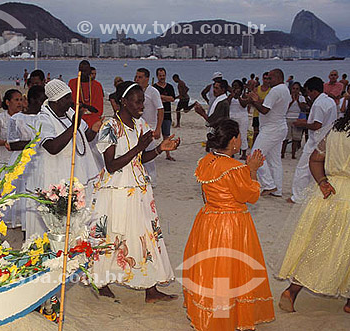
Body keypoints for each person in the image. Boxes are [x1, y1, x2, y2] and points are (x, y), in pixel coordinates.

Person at [89, 81, 180, 302]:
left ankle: (151, 288)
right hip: (116, 190)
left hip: (139, 189)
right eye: (138, 102)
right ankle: (101, 282)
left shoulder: (140, 125)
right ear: (124, 102)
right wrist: (139, 147)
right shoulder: (109, 126)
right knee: (113, 235)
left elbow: (141, 158)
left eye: (143, 102)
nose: (142, 106)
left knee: (147, 235)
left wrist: (159, 149)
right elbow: (111, 164)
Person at [183, 119, 274, 331]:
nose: (241, 140)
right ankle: (225, 316)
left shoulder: (206, 161)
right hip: (231, 224)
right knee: (230, 268)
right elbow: (251, 195)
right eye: (240, 136)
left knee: (212, 268)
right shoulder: (235, 168)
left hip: (208, 220)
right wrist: (252, 171)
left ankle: (214, 313)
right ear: (233, 141)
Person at [277, 111, 350, 314]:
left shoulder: (337, 129)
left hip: (328, 193)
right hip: (347, 198)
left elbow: (315, 159)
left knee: (318, 243)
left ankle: (292, 291)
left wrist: (323, 182)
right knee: (335, 247)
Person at [25, 79, 102, 238]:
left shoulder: (70, 114)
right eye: (67, 98)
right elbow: (52, 147)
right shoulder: (43, 119)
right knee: (59, 220)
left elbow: (83, 138)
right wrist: (74, 125)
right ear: (56, 100)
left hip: (77, 172)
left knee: (79, 217)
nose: (71, 101)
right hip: (56, 176)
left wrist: (94, 130)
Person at [286, 77, 337, 204]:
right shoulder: (330, 101)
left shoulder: (319, 104)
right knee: (321, 169)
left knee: (303, 169)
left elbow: (317, 125)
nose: (308, 95)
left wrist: (302, 124)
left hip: (316, 140)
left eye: (308, 92)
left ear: (314, 91)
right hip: (328, 139)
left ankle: (298, 197)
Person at [7, 86, 46, 231]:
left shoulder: (45, 118)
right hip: (23, 159)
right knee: (22, 190)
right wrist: (35, 142)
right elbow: (13, 143)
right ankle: (22, 222)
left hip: (42, 158)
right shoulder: (16, 119)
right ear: (33, 100)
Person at [249, 69, 290, 197]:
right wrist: (257, 100)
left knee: (255, 155)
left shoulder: (276, 90)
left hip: (271, 129)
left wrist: (253, 102)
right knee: (274, 160)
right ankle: (277, 189)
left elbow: (265, 110)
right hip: (279, 127)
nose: (268, 81)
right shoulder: (284, 89)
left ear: (278, 78)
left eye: (270, 78)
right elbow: (269, 105)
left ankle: (269, 185)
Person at [134, 68, 164, 187]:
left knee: (149, 155)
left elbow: (160, 110)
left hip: (150, 128)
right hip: (137, 127)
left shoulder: (153, 92)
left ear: (147, 78)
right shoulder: (135, 91)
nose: (137, 79)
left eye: (140, 77)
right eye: (136, 77)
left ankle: (152, 180)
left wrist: (158, 129)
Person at [0, 89, 24, 170]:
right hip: (2, 161)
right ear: (8, 102)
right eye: (16, 100)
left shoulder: (24, 118)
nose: (19, 103)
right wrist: (4, 143)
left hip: (21, 160)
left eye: (21, 100)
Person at [68, 60, 104, 128]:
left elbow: (98, 110)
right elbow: (70, 104)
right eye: (81, 71)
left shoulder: (97, 85)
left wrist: (84, 105)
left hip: (92, 119)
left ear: (89, 72)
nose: (83, 73)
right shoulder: (72, 83)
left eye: (85, 71)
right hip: (76, 118)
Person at [153, 67, 176, 161]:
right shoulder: (154, 88)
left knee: (166, 135)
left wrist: (160, 97)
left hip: (167, 114)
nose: (162, 77)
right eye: (160, 75)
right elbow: (153, 100)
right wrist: (162, 98)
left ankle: (168, 154)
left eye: (163, 75)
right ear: (157, 76)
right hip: (156, 115)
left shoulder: (169, 87)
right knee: (153, 135)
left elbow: (172, 99)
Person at [282, 82, 307, 159]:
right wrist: (292, 101)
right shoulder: (288, 97)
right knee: (286, 138)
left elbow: (303, 108)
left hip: (297, 118)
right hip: (288, 117)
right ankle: (282, 153)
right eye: (293, 89)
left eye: (297, 89)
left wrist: (298, 101)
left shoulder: (301, 98)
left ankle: (293, 154)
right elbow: (285, 108)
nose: (295, 90)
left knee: (295, 138)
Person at [227, 80, 249, 159]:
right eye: (233, 86)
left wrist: (238, 96)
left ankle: (243, 153)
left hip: (242, 117)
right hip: (232, 116)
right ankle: (231, 151)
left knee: (242, 135)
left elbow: (243, 105)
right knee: (231, 135)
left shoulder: (244, 96)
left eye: (236, 86)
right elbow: (227, 104)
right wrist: (232, 95)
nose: (235, 88)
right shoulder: (230, 96)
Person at [251, 72, 271, 145]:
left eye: (268, 79)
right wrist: (260, 101)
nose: (266, 81)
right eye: (265, 78)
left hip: (266, 114)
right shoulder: (257, 89)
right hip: (257, 113)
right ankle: (254, 147)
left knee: (265, 132)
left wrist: (258, 100)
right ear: (262, 79)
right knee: (256, 132)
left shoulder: (271, 90)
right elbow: (253, 99)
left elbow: (263, 101)